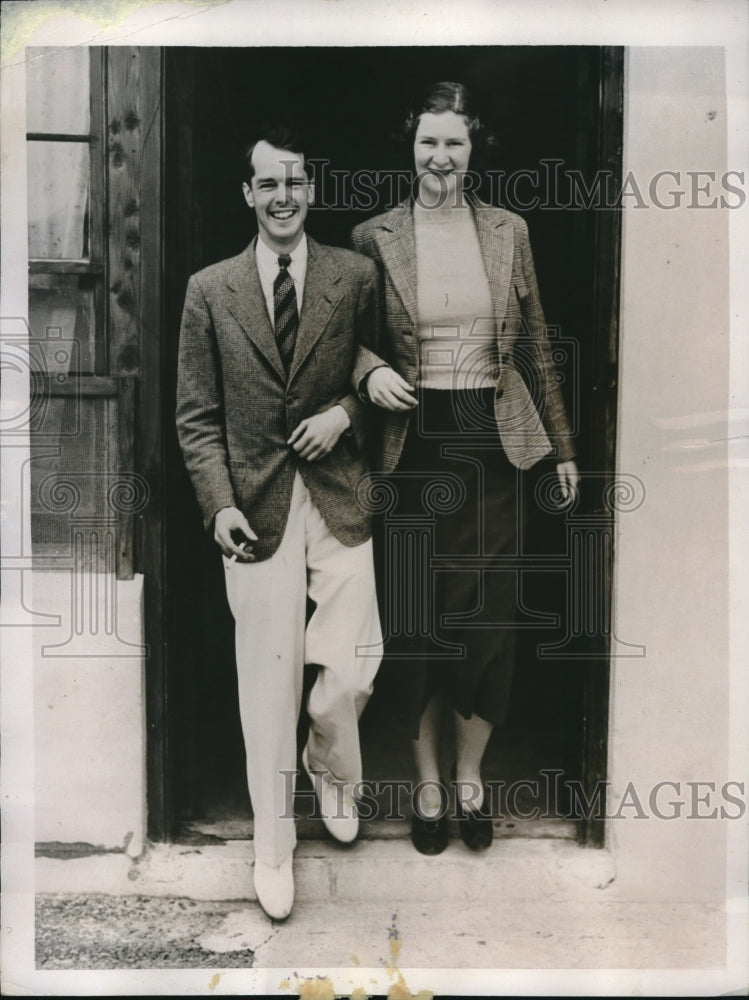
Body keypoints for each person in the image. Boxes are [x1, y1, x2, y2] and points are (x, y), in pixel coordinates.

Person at [351, 82, 579, 855]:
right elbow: (340, 339)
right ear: (408, 148)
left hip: (492, 444)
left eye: (452, 142)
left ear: (472, 148)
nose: (439, 157)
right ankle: (424, 785)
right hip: (411, 446)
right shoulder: (374, 236)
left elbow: (536, 344)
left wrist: (565, 447)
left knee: (486, 626)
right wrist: (365, 369)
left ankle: (470, 780)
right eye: (426, 143)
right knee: (415, 623)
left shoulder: (508, 231)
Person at [176, 125, 383, 920]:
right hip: (253, 506)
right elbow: (196, 417)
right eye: (268, 184)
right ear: (247, 195)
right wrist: (218, 502)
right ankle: (273, 846)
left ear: (312, 190)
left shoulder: (353, 275)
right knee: (265, 681)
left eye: (294, 181)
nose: (283, 196)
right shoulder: (210, 289)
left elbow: (379, 369)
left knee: (355, 662)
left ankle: (330, 762)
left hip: (337, 492)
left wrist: (342, 414)